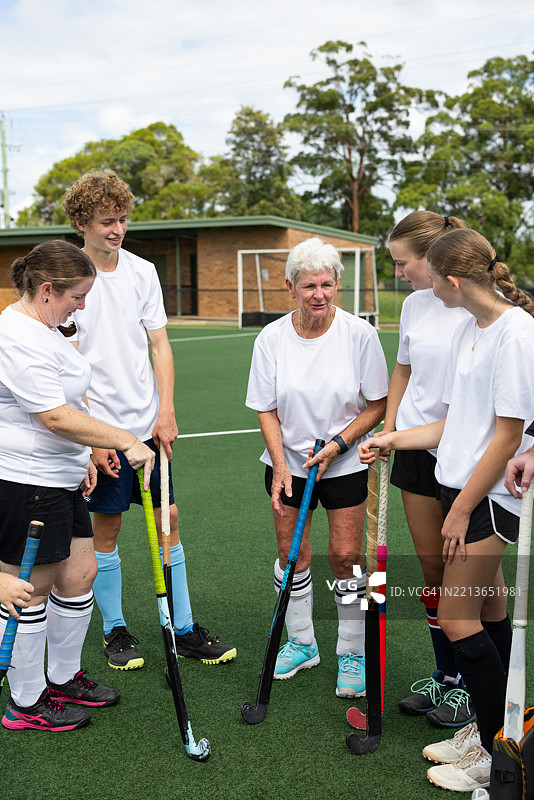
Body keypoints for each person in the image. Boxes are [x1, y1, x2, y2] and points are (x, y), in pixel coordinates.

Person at [359, 228, 534, 793]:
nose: (427, 287)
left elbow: (507, 436)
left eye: (433, 278)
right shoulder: (474, 329)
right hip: (457, 484)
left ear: (453, 280)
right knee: (483, 613)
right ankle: (504, 730)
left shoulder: (516, 333)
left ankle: (491, 747)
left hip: (486, 499)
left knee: (458, 619)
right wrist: (395, 439)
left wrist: (459, 509)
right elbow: (455, 425)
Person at [63, 170, 236, 670]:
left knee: (170, 520)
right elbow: (70, 364)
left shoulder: (141, 271)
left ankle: (183, 627)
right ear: (81, 222)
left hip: (147, 427)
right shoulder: (74, 279)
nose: (117, 230)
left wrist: (167, 412)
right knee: (109, 527)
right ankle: (115, 630)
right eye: (106, 222)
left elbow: (159, 344)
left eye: (121, 219)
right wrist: (93, 439)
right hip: (99, 428)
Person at [0, 240, 155, 732]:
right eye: (77, 296)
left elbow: (72, 400)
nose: (82, 307)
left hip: (61, 477)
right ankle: (25, 703)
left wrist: (89, 450)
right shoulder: (16, 334)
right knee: (30, 592)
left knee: (80, 576)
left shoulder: (46, 329)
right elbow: (51, 414)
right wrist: (123, 439)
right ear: (47, 290)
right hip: (27, 481)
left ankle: (63, 678)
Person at [246, 237, 389, 697]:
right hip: (288, 465)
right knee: (295, 557)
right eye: (309, 286)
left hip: (345, 463)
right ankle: (302, 642)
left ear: (337, 285)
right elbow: (265, 408)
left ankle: (351, 649)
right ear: (291, 287)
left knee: (345, 557)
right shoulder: (271, 338)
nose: (319, 295)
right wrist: (283, 465)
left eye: (327, 284)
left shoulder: (359, 334)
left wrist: (340, 444)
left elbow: (378, 404)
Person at [385, 211, 476, 728]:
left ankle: (475, 682)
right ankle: (447, 679)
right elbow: (403, 369)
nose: (399, 273)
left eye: (404, 263)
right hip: (415, 450)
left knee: (470, 583)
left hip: (464, 454)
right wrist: (391, 431)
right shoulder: (417, 304)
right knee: (432, 573)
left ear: (434, 256)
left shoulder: (476, 309)